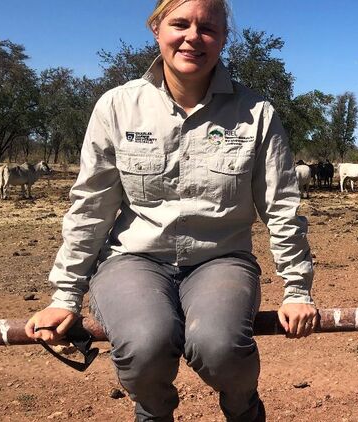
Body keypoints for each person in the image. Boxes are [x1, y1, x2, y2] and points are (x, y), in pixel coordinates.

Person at [23, 0, 317, 420]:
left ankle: (243, 409)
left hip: (221, 259)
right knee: (145, 345)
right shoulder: (117, 107)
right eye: (180, 23)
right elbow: (91, 207)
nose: (193, 37)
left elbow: (281, 207)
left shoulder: (256, 114)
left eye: (208, 28)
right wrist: (65, 296)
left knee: (219, 346)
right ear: (156, 29)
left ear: (223, 38)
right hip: (133, 258)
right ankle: (154, 411)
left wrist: (297, 290)